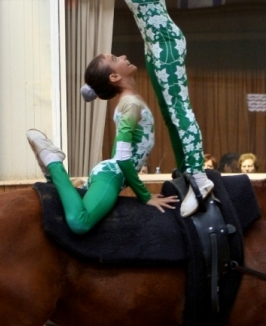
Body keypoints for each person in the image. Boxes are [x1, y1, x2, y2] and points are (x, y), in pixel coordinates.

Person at [94, 0, 211, 217]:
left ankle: (199, 176)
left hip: (165, 43)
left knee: (179, 110)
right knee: (169, 111)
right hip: (155, 45)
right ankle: (186, 172)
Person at [26, 53, 178, 235]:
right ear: (114, 77)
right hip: (111, 176)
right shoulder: (130, 104)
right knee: (80, 223)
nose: (123, 56)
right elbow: (122, 157)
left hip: (109, 172)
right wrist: (145, 196)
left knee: (70, 203)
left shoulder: (128, 102)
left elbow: (119, 150)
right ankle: (54, 163)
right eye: (115, 58)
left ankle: (53, 178)